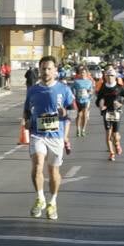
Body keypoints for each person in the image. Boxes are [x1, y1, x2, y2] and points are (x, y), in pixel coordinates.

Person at [23, 55, 75, 220]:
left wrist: (65, 113)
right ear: (39, 69)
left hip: (56, 136)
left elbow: (74, 112)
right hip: (37, 134)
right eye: (43, 68)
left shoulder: (64, 90)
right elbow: (26, 110)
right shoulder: (33, 90)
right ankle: (40, 198)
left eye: (49, 68)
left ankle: (53, 202)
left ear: (55, 70)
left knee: (53, 171)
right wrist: (26, 121)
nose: (46, 71)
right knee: (38, 163)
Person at [95, 67, 124, 161]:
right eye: (108, 75)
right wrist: (101, 105)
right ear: (105, 76)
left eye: (112, 75)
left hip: (116, 112)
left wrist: (120, 103)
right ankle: (111, 153)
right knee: (108, 134)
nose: (110, 77)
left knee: (115, 135)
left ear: (115, 77)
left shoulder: (119, 87)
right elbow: (98, 100)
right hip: (106, 112)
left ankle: (117, 144)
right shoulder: (103, 87)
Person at [70, 65, 95, 138]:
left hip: (86, 100)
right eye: (81, 72)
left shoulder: (89, 82)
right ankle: (78, 129)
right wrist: (73, 95)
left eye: (84, 72)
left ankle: (83, 129)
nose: (82, 74)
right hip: (78, 100)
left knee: (85, 115)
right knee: (79, 115)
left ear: (86, 73)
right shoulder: (76, 82)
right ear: (79, 73)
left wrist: (90, 93)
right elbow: (71, 89)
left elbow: (91, 90)